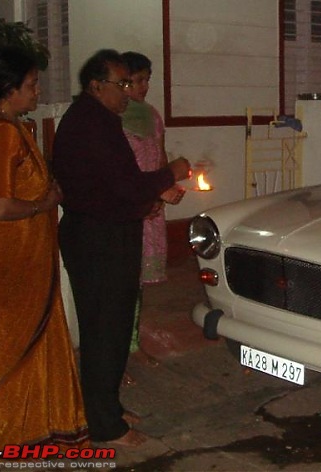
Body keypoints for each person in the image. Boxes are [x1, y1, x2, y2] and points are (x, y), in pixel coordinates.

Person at [0, 47, 89, 449]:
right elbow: (0, 205)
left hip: (2, 244)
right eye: (31, 85)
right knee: (8, 337)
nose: (38, 91)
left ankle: (40, 417)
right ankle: (11, 426)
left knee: (15, 332)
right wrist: (44, 204)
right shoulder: (1, 132)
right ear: (9, 90)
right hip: (0, 248)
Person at [52, 49, 190, 446]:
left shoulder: (98, 119)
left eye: (131, 83)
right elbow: (124, 184)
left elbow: (115, 186)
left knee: (110, 328)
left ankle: (105, 408)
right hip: (99, 240)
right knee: (105, 332)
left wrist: (150, 199)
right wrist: (171, 173)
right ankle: (105, 426)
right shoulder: (91, 123)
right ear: (96, 85)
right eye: (121, 84)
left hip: (106, 231)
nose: (128, 92)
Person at [120, 51, 182, 366]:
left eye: (146, 79)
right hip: (127, 207)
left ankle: (132, 343)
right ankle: (122, 350)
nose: (142, 87)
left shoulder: (153, 115)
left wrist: (164, 190)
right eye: (136, 80)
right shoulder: (114, 117)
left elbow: (159, 155)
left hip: (152, 205)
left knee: (137, 284)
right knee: (122, 281)